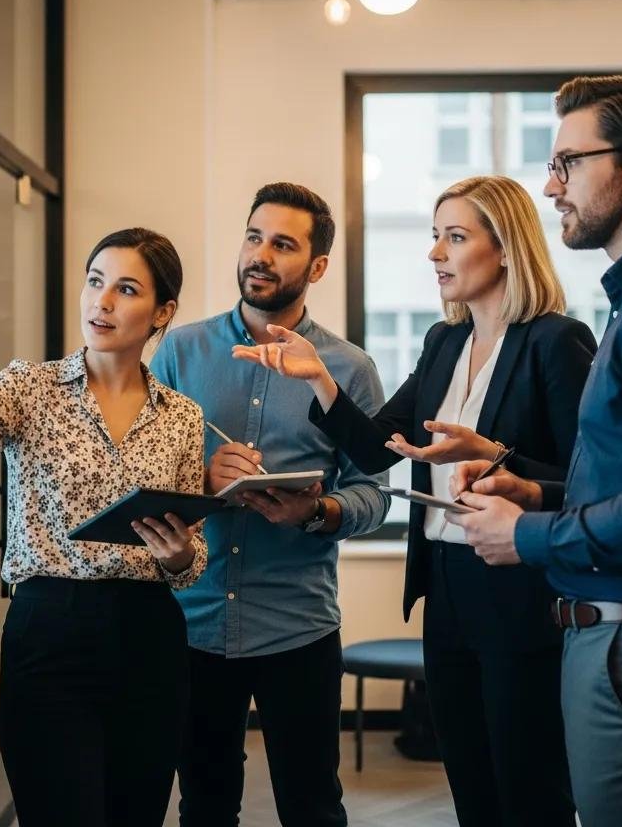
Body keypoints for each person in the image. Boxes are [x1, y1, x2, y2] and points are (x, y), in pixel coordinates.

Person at [234, 175, 596, 827]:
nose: (434, 253)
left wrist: (495, 454)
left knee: (530, 789)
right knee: (471, 787)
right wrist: (319, 377)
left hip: (519, 588)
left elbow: (589, 478)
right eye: (435, 236)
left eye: (454, 237)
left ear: (505, 249)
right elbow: (376, 450)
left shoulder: (555, 340)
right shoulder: (443, 342)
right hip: (447, 587)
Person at [447, 75, 622, 827]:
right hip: (621, 640)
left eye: (569, 162)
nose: (551, 186)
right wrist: (537, 494)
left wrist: (526, 535)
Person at [0, 228, 208, 827]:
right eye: (95, 282)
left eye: (126, 289)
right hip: (49, 631)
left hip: (151, 640)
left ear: (162, 312)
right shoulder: (30, 387)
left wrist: (177, 556)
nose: (102, 302)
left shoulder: (183, 418)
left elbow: (192, 560)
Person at [150, 182, 389, 827]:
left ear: (317, 266)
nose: (260, 254)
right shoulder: (180, 352)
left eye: (283, 244)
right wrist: (204, 481)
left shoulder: (348, 370)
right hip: (192, 625)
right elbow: (142, 476)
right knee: (204, 806)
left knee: (313, 808)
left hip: (298, 628)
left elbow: (375, 493)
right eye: (254, 237)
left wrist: (317, 512)